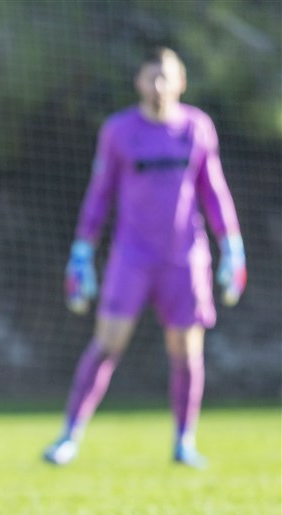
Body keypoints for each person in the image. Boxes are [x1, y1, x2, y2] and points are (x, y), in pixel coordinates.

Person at [44, 47, 247, 468]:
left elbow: (214, 191)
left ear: (181, 82)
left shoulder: (197, 127)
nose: (158, 86)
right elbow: (100, 194)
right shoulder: (119, 131)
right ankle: (69, 437)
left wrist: (232, 247)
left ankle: (184, 441)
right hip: (131, 258)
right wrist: (82, 252)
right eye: (150, 77)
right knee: (105, 346)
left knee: (187, 353)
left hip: (186, 259)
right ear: (138, 81)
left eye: (166, 77)